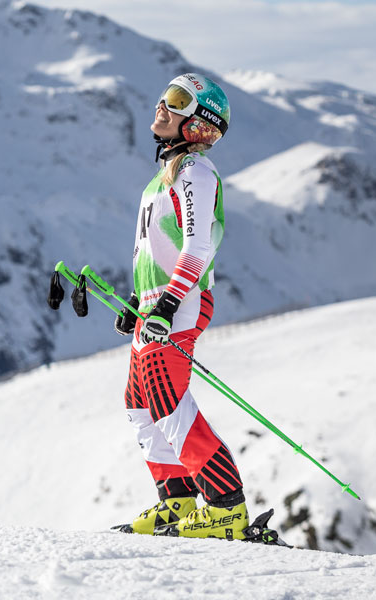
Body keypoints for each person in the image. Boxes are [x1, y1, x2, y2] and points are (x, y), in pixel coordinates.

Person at [111, 73, 245, 539]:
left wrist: (167, 305)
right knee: (139, 405)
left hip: (181, 303)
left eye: (178, 100)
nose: (162, 105)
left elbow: (197, 249)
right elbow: (152, 251)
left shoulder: (195, 173)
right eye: (166, 95)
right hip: (156, 305)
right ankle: (178, 500)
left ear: (199, 122)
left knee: (168, 404)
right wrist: (137, 300)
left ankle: (227, 507)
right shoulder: (161, 179)